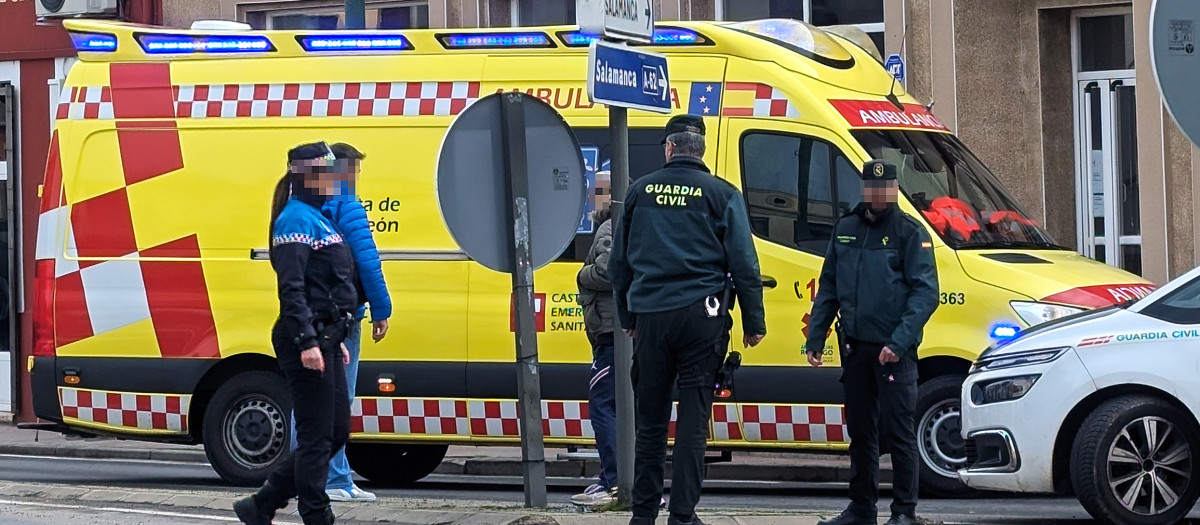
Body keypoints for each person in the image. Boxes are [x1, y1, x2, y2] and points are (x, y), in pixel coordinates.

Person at [609, 115, 767, 525]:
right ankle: (682, 514)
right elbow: (745, 265)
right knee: (693, 420)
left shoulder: (639, 193)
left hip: (652, 318)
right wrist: (753, 322)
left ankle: (642, 515)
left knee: (651, 423)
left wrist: (628, 315)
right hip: (702, 317)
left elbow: (618, 264)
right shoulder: (721, 194)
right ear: (700, 150)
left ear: (669, 148)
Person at [804, 160, 939, 525]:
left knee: (899, 434)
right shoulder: (846, 228)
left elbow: (926, 294)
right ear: (864, 189)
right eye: (873, 188)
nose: (879, 195)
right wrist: (816, 337)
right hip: (857, 348)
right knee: (861, 433)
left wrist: (898, 342)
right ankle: (861, 509)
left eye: (886, 188)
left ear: (894, 191)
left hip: (894, 352)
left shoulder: (910, 232)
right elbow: (829, 285)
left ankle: (904, 512)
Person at [234, 142, 358, 525]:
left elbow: (329, 284)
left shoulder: (318, 218)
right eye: (325, 174)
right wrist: (307, 342)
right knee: (316, 436)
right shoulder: (294, 220)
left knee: (336, 431)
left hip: (326, 339)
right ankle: (316, 514)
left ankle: (263, 502)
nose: (332, 182)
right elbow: (293, 289)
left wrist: (334, 340)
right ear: (306, 176)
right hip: (303, 339)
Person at [320, 143, 392, 502]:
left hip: (316, 313)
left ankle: (327, 475)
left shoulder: (308, 206)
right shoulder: (347, 205)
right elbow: (367, 260)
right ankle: (333, 478)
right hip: (344, 315)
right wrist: (382, 309)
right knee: (338, 398)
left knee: (314, 398)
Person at [572, 201, 617, 507]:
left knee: (603, 408)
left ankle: (614, 480)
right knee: (625, 409)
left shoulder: (609, 227)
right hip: (630, 331)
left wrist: (581, 274)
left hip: (612, 332)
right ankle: (610, 477)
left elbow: (607, 272)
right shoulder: (638, 222)